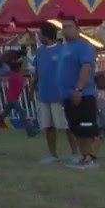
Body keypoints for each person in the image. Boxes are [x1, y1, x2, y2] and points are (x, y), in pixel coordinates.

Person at [57, 16, 100, 170]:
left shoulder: (84, 46)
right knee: (75, 128)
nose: (65, 29)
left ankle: (91, 159)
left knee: (86, 127)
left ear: (77, 29)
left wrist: (78, 89)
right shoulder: (64, 47)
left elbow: (85, 68)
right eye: (63, 26)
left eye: (69, 26)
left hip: (83, 95)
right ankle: (84, 156)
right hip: (67, 96)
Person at [32, 23, 76, 164]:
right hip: (44, 94)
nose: (38, 36)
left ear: (45, 35)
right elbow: (37, 71)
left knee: (67, 126)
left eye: (39, 33)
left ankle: (75, 153)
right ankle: (52, 154)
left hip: (60, 95)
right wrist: (32, 88)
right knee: (48, 126)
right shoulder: (40, 51)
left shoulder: (63, 50)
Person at [0, 50, 36, 137]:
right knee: (22, 113)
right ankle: (29, 131)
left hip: (11, 98)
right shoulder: (16, 76)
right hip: (13, 98)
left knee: (4, 114)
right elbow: (21, 85)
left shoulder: (13, 75)